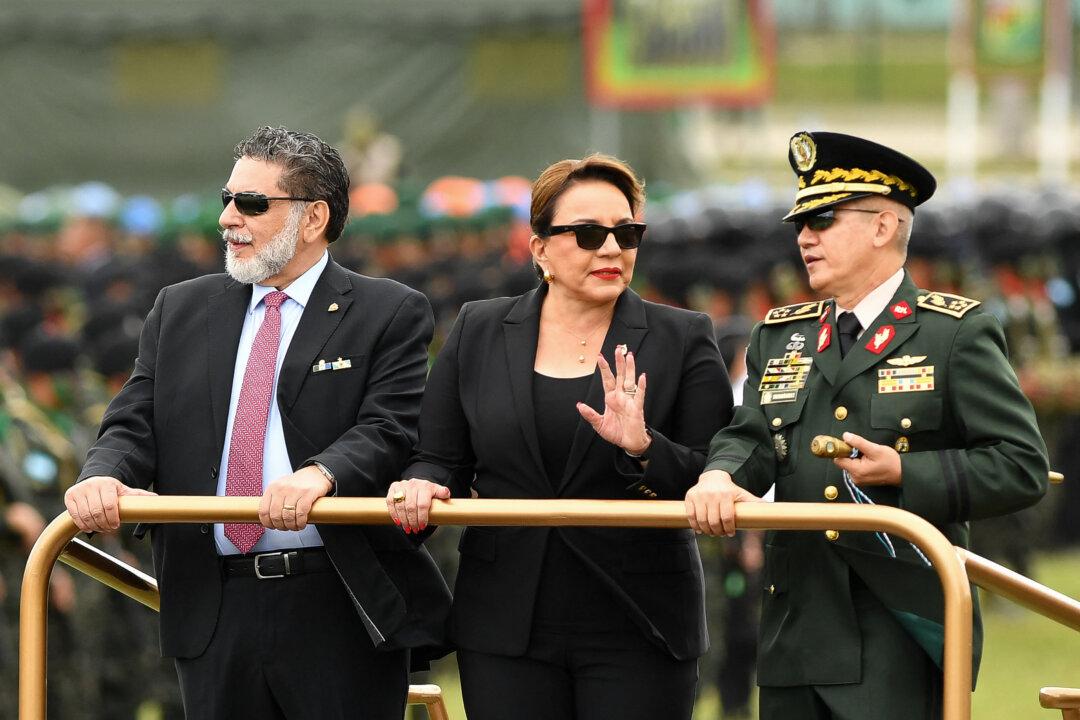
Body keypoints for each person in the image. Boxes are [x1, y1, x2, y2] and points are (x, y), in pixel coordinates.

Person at [64, 126, 451, 720]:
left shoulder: (388, 310)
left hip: (334, 596)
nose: (227, 218)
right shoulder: (181, 307)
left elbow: (389, 426)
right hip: (212, 601)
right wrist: (103, 473)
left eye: (251, 203)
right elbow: (134, 418)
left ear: (314, 216)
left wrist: (320, 474)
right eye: (227, 199)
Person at [685, 131, 1050, 720]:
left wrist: (907, 471)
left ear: (883, 227)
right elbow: (751, 438)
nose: (805, 236)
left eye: (824, 219)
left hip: (896, 625)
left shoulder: (952, 332)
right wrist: (721, 477)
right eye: (800, 222)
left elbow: (1019, 464)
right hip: (796, 628)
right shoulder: (780, 334)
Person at [388, 154, 733, 720]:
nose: (610, 249)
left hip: (640, 618)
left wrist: (644, 447)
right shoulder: (479, 329)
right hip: (505, 620)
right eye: (588, 233)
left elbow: (715, 472)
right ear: (540, 247)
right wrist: (422, 483)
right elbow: (438, 456)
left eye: (626, 232)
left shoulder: (683, 336)